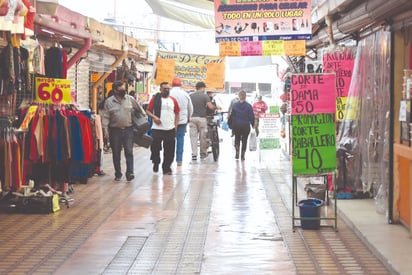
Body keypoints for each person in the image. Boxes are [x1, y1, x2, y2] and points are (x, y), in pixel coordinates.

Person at [102, 81, 141, 181]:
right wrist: (105, 130)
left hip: (128, 129)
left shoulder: (130, 99)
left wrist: (140, 121)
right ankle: (118, 173)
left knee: (129, 151)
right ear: (115, 90)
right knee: (116, 153)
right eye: (121, 89)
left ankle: (130, 173)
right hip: (115, 130)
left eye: (124, 89)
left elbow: (140, 110)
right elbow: (106, 117)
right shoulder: (109, 102)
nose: (124, 91)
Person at [146, 82, 180, 175]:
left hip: (170, 128)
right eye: (165, 88)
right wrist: (154, 117)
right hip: (157, 128)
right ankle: (156, 162)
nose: (167, 90)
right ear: (160, 89)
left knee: (169, 149)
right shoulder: (155, 99)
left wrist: (176, 125)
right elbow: (148, 111)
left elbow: (177, 113)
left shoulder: (173, 100)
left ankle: (166, 167)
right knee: (155, 148)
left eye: (168, 88)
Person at [189, 81, 216, 161]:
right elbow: (210, 107)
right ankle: (203, 154)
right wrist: (215, 107)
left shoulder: (190, 96)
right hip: (202, 119)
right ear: (202, 88)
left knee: (193, 137)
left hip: (192, 118)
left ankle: (194, 154)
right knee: (202, 137)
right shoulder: (205, 96)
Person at [170, 77, 193, 166]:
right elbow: (190, 108)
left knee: (170, 140)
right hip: (182, 120)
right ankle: (179, 160)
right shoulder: (185, 94)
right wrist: (189, 117)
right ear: (180, 85)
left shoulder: (169, 93)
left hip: (171, 120)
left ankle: (170, 160)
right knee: (180, 138)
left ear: (172, 84)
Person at [231, 90, 255, 160]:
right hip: (245, 125)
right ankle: (242, 155)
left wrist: (232, 125)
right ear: (245, 96)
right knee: (245, 140)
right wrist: (253, 124)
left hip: (237, 125)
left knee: (237, 138)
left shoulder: (235, 105)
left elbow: (233, 116)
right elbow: (251, 116)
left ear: (239, 96)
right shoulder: (249, 106)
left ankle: (237, 151)